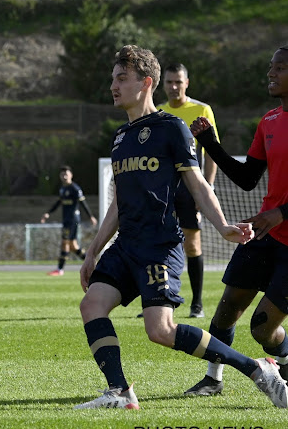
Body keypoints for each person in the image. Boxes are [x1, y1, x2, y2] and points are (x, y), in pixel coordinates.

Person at [75, 44, 287, 410]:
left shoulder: (171, 128)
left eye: (121, 78)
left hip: (159, 245)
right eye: (112, 78)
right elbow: (117, 205)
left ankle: (256, 369)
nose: (113, 85)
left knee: (160, 331)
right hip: (126, 245)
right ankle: (120, 392)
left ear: (146, 83)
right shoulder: (121, 138)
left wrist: (221, 227)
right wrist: (93, 249)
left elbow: (199, 185)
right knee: (92, 304)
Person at [184, 45, 288, 396]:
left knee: (262, 329)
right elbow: (247, 179)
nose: (271, 73)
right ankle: (213, 379)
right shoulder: (270, 120)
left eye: (280, 68)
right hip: (265, 234)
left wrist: (282, 213)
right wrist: (210, 144)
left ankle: (284, 363)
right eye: (270, 67)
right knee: (226, 311)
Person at [158, 63, 219, 318]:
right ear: (163, 84)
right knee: (158, 243)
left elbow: (212, 152)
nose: (174, 87)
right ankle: (160, 299)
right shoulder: (158, 112)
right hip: (163, 190)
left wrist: (206, 188)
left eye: (178, 82)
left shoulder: (202, 109)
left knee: (192, 244)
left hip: (189, 187)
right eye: (169, 82)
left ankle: (197, 303)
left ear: (187, 83)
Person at [40, 165, 97, 276]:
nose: (64, 176)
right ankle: (94, 265)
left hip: (72, 220)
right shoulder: (63, 189)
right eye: (62, 174)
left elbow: (82, 202)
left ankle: (60, 269)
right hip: (66, 220)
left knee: (64, 243)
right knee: (73, 246)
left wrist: (90, 216)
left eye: (66, 174)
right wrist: (48, 213)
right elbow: (58, 203)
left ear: (71, 175)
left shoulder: (75, 188)